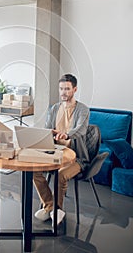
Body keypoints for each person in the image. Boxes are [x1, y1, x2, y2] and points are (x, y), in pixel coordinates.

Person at [34, 73, 90, 225]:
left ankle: (57, 209)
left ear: (75, 89)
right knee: (34, 171)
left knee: (60, 175)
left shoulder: (83, 109)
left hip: (77, 157)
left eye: (67, 89)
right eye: (61, 89)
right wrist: (49, 133)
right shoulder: (54, 109)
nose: (63, 92)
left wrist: (66, 135)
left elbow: (81, 130)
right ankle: (49, 206)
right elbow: (47, 129)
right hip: (55, 152)